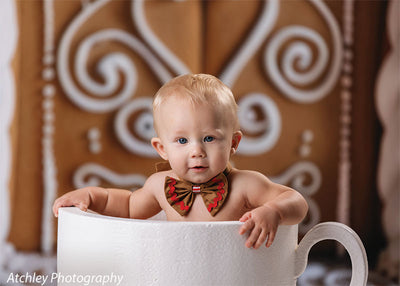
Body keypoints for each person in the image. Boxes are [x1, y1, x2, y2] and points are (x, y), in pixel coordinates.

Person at [53, 74, 308, 249]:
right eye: (182, 141)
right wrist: (91, 196)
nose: (196, 151)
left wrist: (273, 211)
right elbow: (129, 206)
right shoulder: (159, 185)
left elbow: (296, 201)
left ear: (233, 143)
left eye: (209, 138)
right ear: (161, 148)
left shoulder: (246, 184)